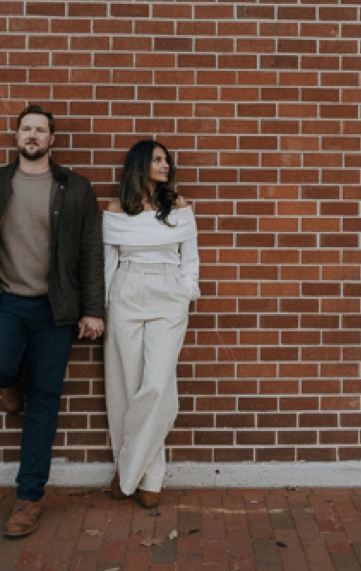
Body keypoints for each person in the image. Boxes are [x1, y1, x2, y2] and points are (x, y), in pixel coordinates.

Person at [0, 104, 106, 538]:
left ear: (52, 139)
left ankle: (28, 498)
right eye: (26, 129)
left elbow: (90, 252)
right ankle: (10, 383)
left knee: (44, 400)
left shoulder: (75, 188)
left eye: (40, 130)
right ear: (16, 136)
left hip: (54, 311)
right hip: (5, 301)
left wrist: (92, 309)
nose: (32, 136)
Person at [103, 139, 200, 509]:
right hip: (126, 291)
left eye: (166, 161)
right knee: (127, 386)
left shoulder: (178, 206)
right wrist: (107, 306)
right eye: (157, 160)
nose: (165, 166)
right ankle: (149, 477)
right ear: (140, 165)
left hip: (167, 291)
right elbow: (107, 263)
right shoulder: (116, 209)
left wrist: (185, 290)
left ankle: (127, 469)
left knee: (157, 385)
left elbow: (189, 257)